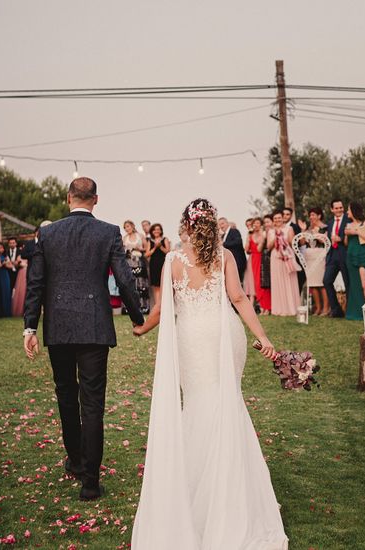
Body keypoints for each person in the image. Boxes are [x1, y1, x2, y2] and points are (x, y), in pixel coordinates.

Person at [130, 198, 287, 549]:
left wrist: (142, 329)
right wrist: (262, 338)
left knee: (200, 404)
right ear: (211, 224)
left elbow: (160, 309)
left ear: (185, 224)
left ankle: (197, 495)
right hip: (224, 335)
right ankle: (232, 495)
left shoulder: (172, 260)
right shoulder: (225, 256)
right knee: (227, 403)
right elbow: (240, 299)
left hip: (192, 338)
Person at [23, 177, 144, 501]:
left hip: (59, 327)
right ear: (96, 199)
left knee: (66, 395)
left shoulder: (47, 234)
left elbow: (35, 283)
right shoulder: (107, 232)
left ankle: (76, 461)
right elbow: (124, 278)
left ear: (68, 198)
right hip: (93, 327)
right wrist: (137, 317)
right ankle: (90, 482)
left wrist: (30, 327)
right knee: (92, 404)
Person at [266, 211, 301, 316]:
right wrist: (275, 237)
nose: (277, 220)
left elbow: (292, 242)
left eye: (279, 218)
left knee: (289, 280)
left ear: (282, 218)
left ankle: (291, 308)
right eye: (275, 218)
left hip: (287, 256)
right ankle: (279, 308)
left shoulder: (289, 229)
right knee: (278, 281)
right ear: (273, 220)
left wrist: (283, 239)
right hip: (275, 257)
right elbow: (268, 247)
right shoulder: (270, 231)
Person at [345, 202, 365, 321]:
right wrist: (347, 235)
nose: (347, 212)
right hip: (350, 256)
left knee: (364, 285)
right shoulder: (348, 224)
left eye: (348, 210)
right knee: (354, 285)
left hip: (361, 256)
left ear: (353, 211)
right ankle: (356, 313)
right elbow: (346, 243)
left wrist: (357, 232)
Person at [323, 199, 350, 318]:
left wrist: (341, 238)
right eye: (336, 208)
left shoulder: (348, 220)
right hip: (332, 256)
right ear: (332, 209)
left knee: (348, 282)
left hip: (344, 254)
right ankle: (336, 310)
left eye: (341, 207)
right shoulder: (329, 223)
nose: (339, 210)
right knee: (326, 281)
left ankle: (350, 310)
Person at [301, 207, 329, 316]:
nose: (311, 217)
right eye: (310, 215)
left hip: (320, 255)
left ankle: (326, 308)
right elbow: (303, 242)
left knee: (321, 283)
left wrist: (317, 234)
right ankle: (318, 308)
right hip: (309, 256)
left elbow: (325, 241)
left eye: (313, 215)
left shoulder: (325, 228)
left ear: (319, 216)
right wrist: (303, 231)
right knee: (312, 283)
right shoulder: (308, 229)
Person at [122, 220, 151, 314]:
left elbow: (147, 248)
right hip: (129, 262)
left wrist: (139, 249)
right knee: (131, 283)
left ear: (133, 226)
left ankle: (144, 306)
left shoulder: (140, 236)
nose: (127, 228)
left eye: (128, 226)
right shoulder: (124, 238)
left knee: (141, 283)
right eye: (125, 227)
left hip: (139, 261)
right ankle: (130, 307)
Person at [248, 217, 271, 315]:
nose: (256, 225)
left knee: (263, 283)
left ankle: (267, 307)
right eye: (254, 223)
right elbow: (247, 249)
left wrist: (262, 237)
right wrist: (247, 237)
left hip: (262, 259)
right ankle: (262, 307)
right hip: (253, 260)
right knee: (256, 284)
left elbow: (259, 249)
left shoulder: (264, 234)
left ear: (261, 224)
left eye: (258, 223)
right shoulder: (250, 235)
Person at [144, 223, 170, 307]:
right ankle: (157, 306)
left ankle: (164, 305)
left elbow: (168, 252)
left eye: (158, 229)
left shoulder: (165, 239)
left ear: (161, 230)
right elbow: (146, 254)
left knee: (163, 285)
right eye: (155, 229)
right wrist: (155, 247)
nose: (156, 231)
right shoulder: (150, 241)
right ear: (152, 231)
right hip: (154, 265)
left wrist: (161, 246)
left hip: (163, 264)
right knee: (155, 287)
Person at [218, 216, 247, 284]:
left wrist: (223, 244)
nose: (221, 226)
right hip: (229, 263)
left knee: (238, 282)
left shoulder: (234, 231)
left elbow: (238, 242)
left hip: (237, 261)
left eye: (222, 223)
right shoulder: (223, 236)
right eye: (219, 224)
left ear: (227, 223)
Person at [10, 240, 29, 317]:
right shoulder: (19, 256)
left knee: (26, 291)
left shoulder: (28, 255)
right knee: (20, 291)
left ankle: (26, 310)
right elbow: (16, 264)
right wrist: (18, 263)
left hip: (27, 273)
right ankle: (19, 310)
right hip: (21, 273)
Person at [259, 214, 273, 313]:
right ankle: (266, 307)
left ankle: (272, 307)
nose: (266, 224)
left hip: (275, 258)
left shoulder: (275, 232)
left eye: (268, 222)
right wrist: (263, 238)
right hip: (265, 259)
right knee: (266, 283)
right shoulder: (263, 234)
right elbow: (259, 248)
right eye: (265, 222)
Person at [0, 242, 13, 316]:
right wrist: (4, 263)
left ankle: (7, 312)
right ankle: (1, 311)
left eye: (2, 248)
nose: (1, 249)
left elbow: (10, 266)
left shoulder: (6, 256)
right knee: (1, 292)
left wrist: (6, 263)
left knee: (7, 292)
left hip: (5, 275)